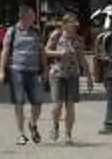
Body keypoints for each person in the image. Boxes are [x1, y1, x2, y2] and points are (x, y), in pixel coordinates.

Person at [3, 6, 46, 144]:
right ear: (24, 17)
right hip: (17, 70)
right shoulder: (12, 31)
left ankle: (32, 124)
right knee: (19, 103)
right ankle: (21, 134)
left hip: (33, 71)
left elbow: (42, 51)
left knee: (37, 103)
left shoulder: (36, 31)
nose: (34, 18)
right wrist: (1, 70)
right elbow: (5, 51)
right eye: (32, 15)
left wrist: (44, 68)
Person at [45, 14, 85, 143]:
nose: (74, 25)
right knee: (57, 105)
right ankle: (55, 126)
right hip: (57, 74)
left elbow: (82, 58)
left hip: (73, 75)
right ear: (65, 24)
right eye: (72, 23)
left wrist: (89, 76)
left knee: (70, 105)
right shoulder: (56, 35)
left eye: (75, 23)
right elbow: (46, 51)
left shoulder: (78, 39)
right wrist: (59, 53)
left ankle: (68, 134)